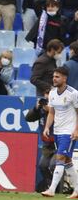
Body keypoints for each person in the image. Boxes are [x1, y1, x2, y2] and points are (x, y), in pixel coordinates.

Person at [41, 67, 78, 198]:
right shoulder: (52, 93)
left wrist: (76, 130)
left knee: (60, 157)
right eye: (53, 76)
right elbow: (51, 112)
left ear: (64, 78)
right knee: (67, 161)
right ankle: (77, 190)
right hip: (57, 131)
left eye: (57, 77)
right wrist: (47, 127)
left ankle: (51, 189)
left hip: (69, 132)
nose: (54, 79)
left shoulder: (73, 93)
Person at [25, 91, 56, 192]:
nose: (46, 103)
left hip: (59, 143)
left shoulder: (60, 109)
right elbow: (28, 118)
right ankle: (51, 185)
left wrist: (51, 111)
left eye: (48, 101)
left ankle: (57, 187)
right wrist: (36, 108)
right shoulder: (41, 111)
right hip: (47, 145)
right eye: (45, 100)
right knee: (42, 165)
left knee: (53, 164)